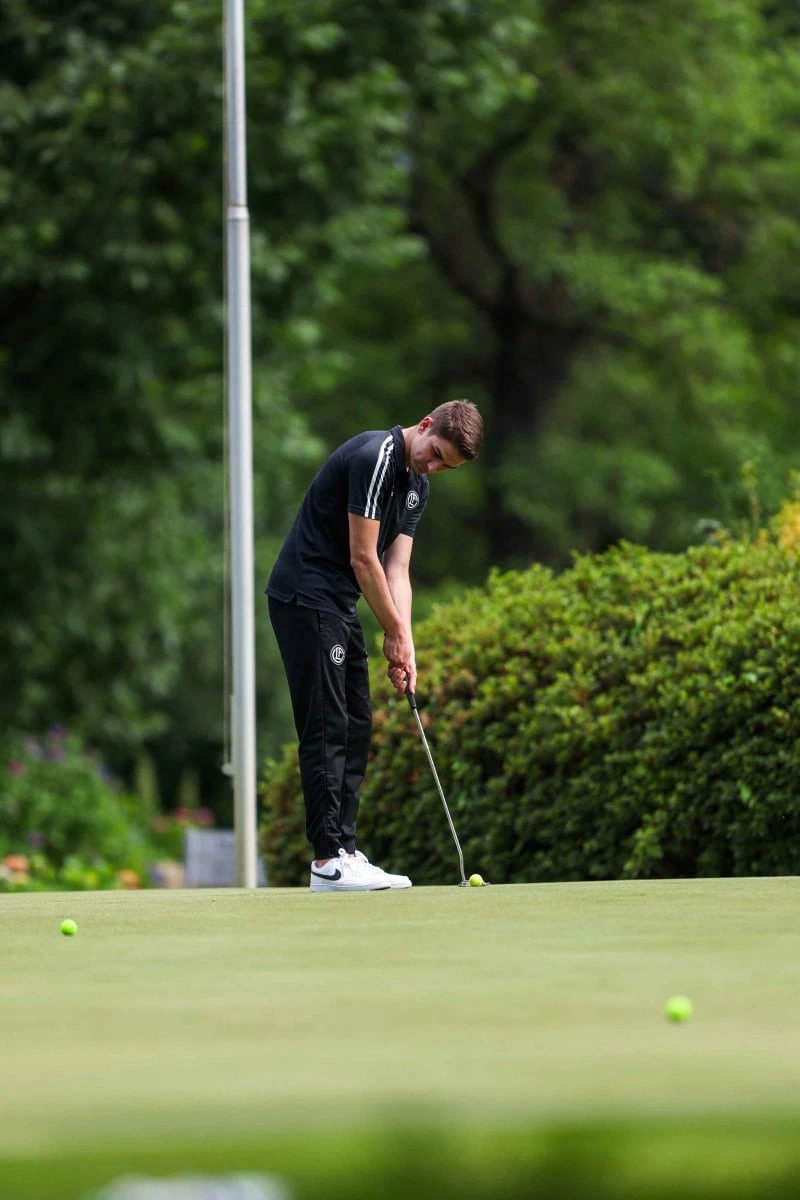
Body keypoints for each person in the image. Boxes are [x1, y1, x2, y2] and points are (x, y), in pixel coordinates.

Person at [266, 399, 483, 892]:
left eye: (444, 466)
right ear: (425, 425)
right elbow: (364, 558)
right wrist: (394, 632)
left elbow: (397, 570)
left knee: (358, 722)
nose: (433, 467)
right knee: (327, 722)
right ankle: (327, 860)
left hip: (337, 602)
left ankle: (345, 849)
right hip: (304, 594)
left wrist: (406, 641)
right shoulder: (376, 456)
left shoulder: (416, 487)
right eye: (434, 454)